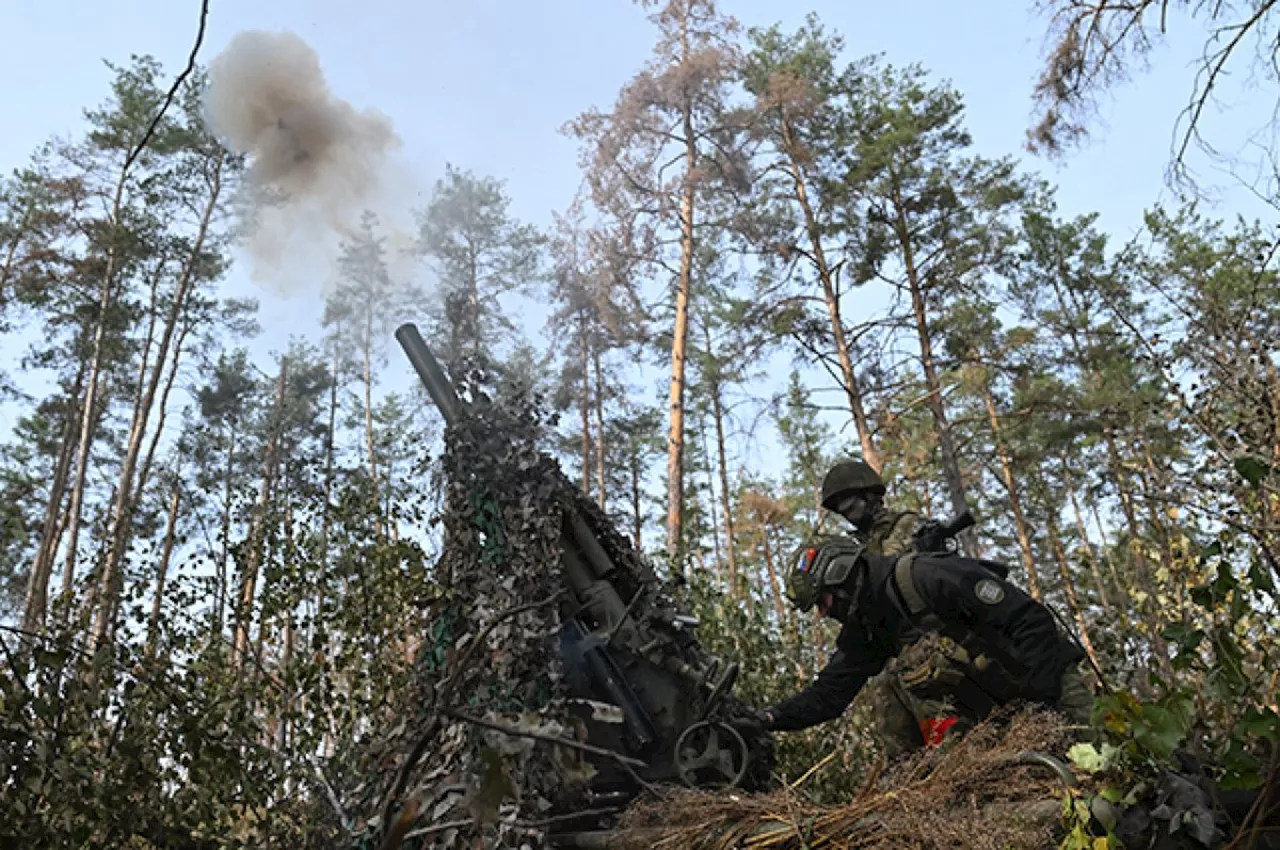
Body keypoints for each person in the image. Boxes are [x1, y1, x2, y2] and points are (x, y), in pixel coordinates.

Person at [755, 538, 1094, 757]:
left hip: (1054, 689)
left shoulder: (926, 576)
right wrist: (769, 718)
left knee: (1110, 791)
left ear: (840, 578)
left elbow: (1030, 620)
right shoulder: (867, 630)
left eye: (823, 601)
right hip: (1004, 718)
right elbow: (829, 694)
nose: (824, 613)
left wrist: (1039, 706)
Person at [820, 460, 918, 556]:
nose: (842, 509)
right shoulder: (854, 545)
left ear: (870, 496)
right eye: (837, 505)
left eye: (845, 500)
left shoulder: (906, 524)